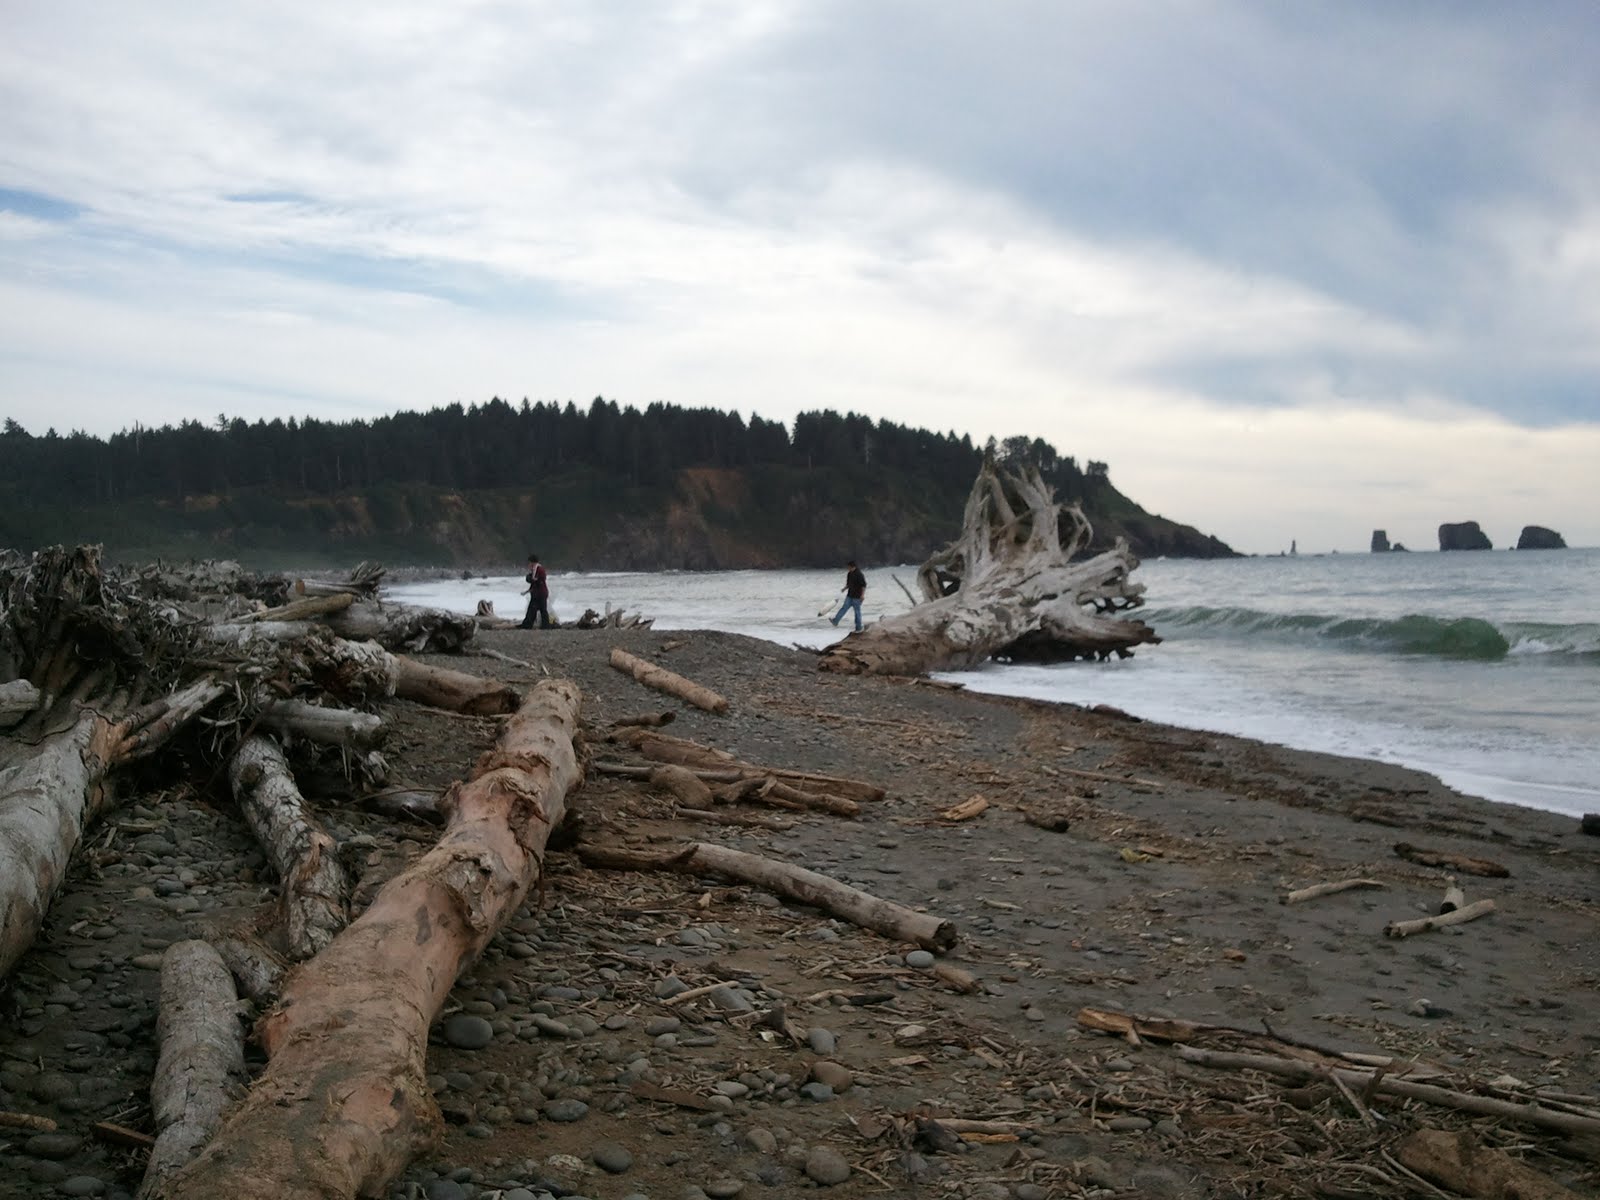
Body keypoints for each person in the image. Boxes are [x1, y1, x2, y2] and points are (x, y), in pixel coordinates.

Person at [830, 560, 867, 631]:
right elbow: (849, 584)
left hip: (857, 597)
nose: (848, 568)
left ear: (852, 566)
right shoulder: (849, 574)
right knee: (844, 608)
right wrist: (844, 588)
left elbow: (863, 585)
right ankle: (835, 621)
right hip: (849, 595)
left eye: (848, 567)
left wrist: (862, 595)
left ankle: (858, 627)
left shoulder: (859, 574)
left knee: (857, 612)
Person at [519, 553, 550, 629]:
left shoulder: (539, 569)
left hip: (541, 594)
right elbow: (533, 583)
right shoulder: (535, 570)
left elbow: (539, 580)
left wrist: (532, 579)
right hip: (537, 593)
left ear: (532, 562)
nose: (528, 564)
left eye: (529, 562)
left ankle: (545, 626)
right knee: (532, 610)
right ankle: (528, 625)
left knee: (542, 610)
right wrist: (527, 591)